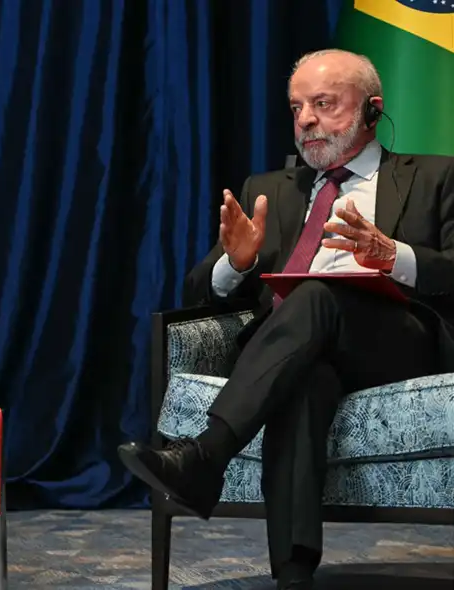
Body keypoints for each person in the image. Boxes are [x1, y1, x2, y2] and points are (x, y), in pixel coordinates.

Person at [118, 48, 454, 590]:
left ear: (372, 110)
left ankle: (206, 455)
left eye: (324, 104)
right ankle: (294, 576)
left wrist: (395, 256)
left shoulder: (435, 177)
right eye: (297, 107)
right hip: (296, 350)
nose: (306, 120)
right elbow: (196, 293)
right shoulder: (268, 190)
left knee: (316, 293)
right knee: (303, 380)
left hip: (398, 343)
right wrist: (236, 264)